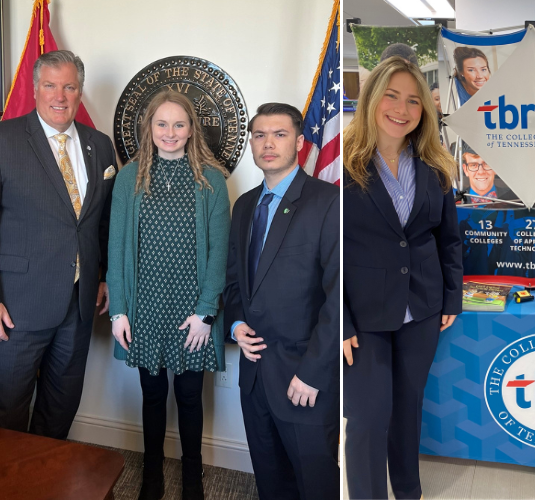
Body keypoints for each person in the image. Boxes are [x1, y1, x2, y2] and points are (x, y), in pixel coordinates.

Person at [342, 55, 462, 499]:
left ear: (424, 110)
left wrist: (451, 297)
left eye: (413, 100)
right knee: (370, 416)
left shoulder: (434, 163)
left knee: (408, 409)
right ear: (372, 98)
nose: (402, 108)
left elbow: (448, 239)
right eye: (391, 95)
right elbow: (328, 254)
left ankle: (408, 491)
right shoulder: (345, 165)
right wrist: (342, 321)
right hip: (362, 316)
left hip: (422, 308)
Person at [107, 89, 231, 500]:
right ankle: (152, 477)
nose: (170, 132)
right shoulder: (131, 176)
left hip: (192, 311)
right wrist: (118, 311)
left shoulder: (211, 180)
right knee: (153, 394)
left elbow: (218, 252)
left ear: (192, 128)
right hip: (145, 306)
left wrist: (206, 311)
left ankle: (192, 479)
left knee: (190, 396)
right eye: (162, 123)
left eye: (179, 124)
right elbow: (116, 246)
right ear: (150, 128)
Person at [225, 103, 340, 500]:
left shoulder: (328, 202)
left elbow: (338, 297)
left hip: (304, 379)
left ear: (301, 143)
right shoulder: (243, 206)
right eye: (259, 135)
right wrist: (235, 324)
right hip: (254, 376)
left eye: (279, 134)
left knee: (314, 483)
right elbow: (235, 281)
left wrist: (314, 373)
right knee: (270, 481)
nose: (268, 143)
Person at [0, 50, 116, 441]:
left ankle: (43, 483)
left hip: (79, 304)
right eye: (50, 85)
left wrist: (102, 277)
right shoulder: (5, 139)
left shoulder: (99, 146)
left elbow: (102, 223)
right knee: (7, 407)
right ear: (35, 89)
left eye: (69, 86)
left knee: (61, 404)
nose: (60, 95)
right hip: (18, 306)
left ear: (80, 91)